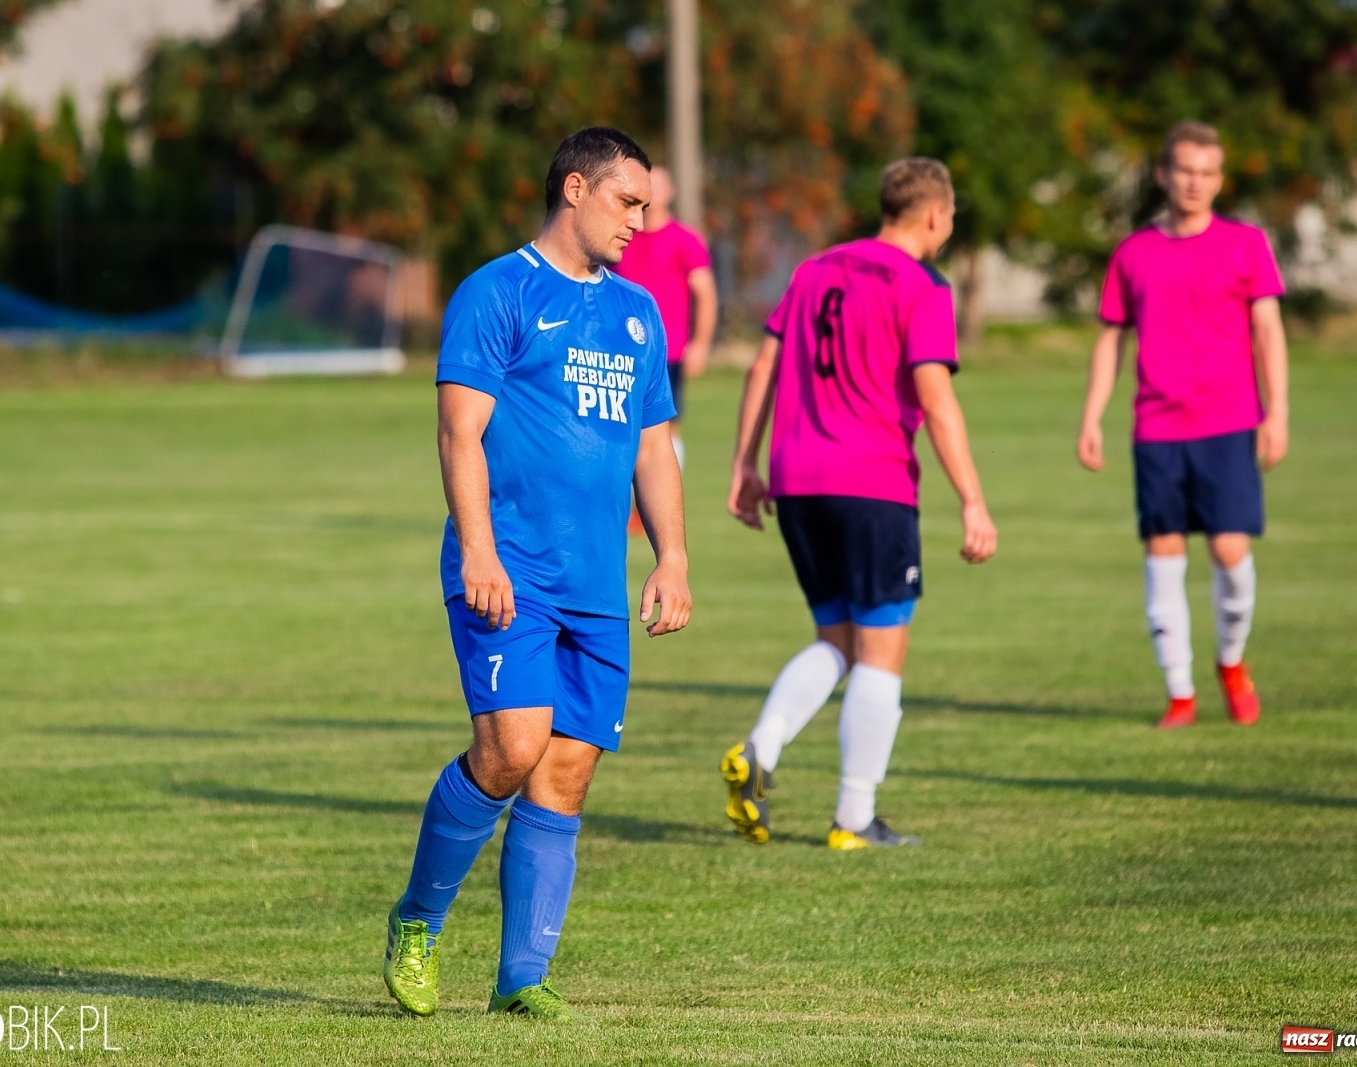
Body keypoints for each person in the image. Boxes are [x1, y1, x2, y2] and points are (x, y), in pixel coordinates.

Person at [382, 127, 692, 1021]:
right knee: (512, 749)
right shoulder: (497, 292)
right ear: (573, 190)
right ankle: (418, 920)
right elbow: (459, 433)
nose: (641, 219)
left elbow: (653, 446)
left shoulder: (638, 313)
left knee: (566, 772)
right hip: (509, 567)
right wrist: (477, 546)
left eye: (645, 204)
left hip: (598, 584)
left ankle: (521, 979)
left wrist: (671, 555)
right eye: (626, 201)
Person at [722, 158, 998, 851]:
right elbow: (935, 398)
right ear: (935, 215)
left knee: (837, 641)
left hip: (797, 480)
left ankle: (762, 746)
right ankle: (853, 818)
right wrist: (973, 500)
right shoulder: (923, 285)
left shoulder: (813, 269)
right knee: (881, 650)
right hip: (872, 481)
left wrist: (742, 464)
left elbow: (762, 365)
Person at [1077, 120, 1289, 730]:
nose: (1195, 182)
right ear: (1164, 175)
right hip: (1157, 428)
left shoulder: (1246, 245)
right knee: (1163, 553)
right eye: (1185, 171)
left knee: (1229, 551)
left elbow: (1269, 331)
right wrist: (1092, 415)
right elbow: (1111, 339)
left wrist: (1278, 410)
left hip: (1228, 422)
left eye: (1207, 172)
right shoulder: (1133, 253)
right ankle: (1180, 694)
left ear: (1218, 180)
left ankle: (1230, 662)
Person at [613, 165, 718, 467]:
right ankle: (630, 511)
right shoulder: (621, 235)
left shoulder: (685, 239)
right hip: (621, 349)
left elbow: (705, 293)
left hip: (666, 350)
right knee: (621, 425)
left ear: (670, 192)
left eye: (659, 186)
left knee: (664, 427)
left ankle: (661, 503)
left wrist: (700, 343)